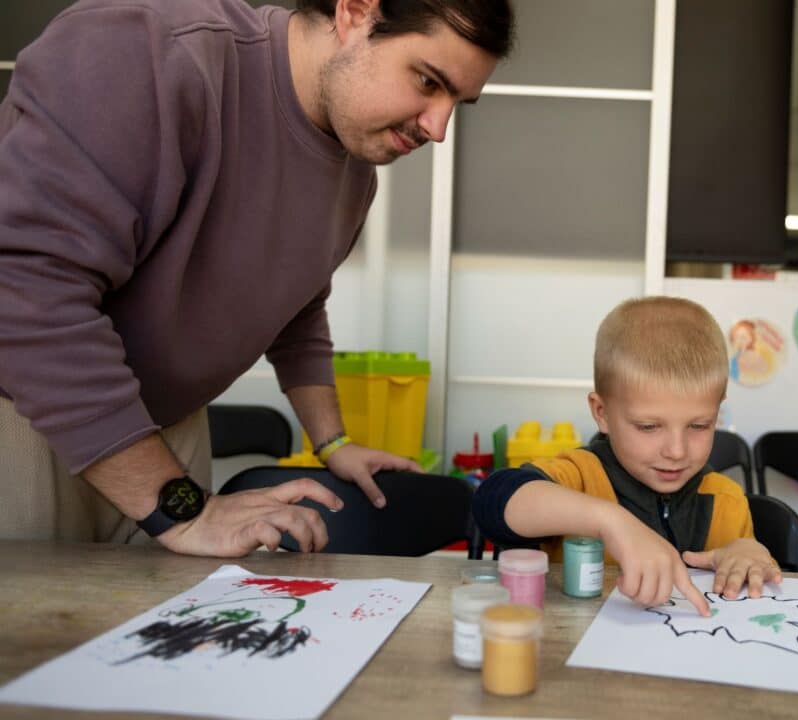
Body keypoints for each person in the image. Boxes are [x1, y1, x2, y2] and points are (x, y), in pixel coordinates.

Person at [0, 0, 514, 557]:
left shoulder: (355, 167)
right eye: (426, 81)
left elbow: (297, 305)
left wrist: (332, 441)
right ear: (355, 12)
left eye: (457, 102)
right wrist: (183, 509)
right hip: (31, 418)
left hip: (166, 432)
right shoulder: (150, 51)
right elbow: (25, 290)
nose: (438, 128)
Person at [473, 297, 781, 614]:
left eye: (699, 425)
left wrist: (747, 553)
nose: (676, 451)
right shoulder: (578, 477)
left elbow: (747, 572)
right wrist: (612, 522)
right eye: (648, 427)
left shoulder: (726, 501)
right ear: (602, 412)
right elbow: (493, 500)